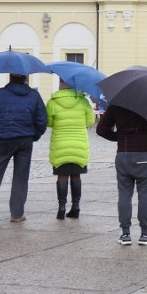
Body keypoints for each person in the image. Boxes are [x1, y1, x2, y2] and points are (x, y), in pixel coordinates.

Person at [0, 74, 47, 222]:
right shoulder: (34, 95)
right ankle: (17, 214)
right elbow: (42, 120)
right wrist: (34, 136)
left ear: (10, 77)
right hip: (25, 139)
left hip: (3, 138)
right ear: (25, 78)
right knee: (21, 177)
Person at [96, 104, 147, 244]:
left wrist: (120, 137)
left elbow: (101, 129)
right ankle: (145, 234)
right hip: (146, 155)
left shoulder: (116, 104)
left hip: (124, 154)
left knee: (124, 194)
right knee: (145, 195)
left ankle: (125, 233)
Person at [46, 78, 95, 219]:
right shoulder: (83, 101)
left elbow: (49, 122)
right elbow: (90, 121)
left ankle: (61, 207)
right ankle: (76, 206)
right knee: (76, 175)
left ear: (61, 84)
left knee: (62, 175)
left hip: (60, 142)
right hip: (79, 142)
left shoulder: (53, 102)